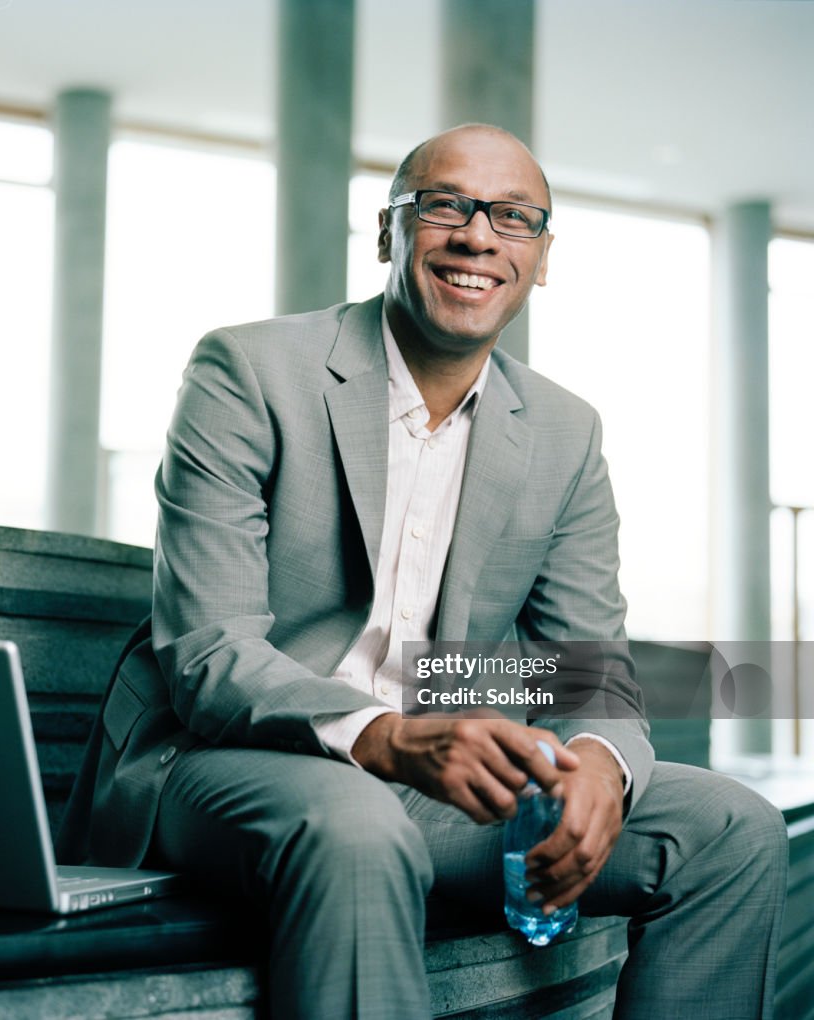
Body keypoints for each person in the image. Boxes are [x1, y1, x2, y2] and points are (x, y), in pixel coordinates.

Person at [59, 124, 788, 1019]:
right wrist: (385, 737)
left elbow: (590, 672)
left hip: (443, 788)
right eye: (445, 204)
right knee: (357, 828)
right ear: (387, 233)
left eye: (513, 217)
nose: (479, 236)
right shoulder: (247, 370)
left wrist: (599, 763)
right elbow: (211, 656)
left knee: (730, 829)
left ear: (542, 256)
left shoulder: (565, 432)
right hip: (227, 759)